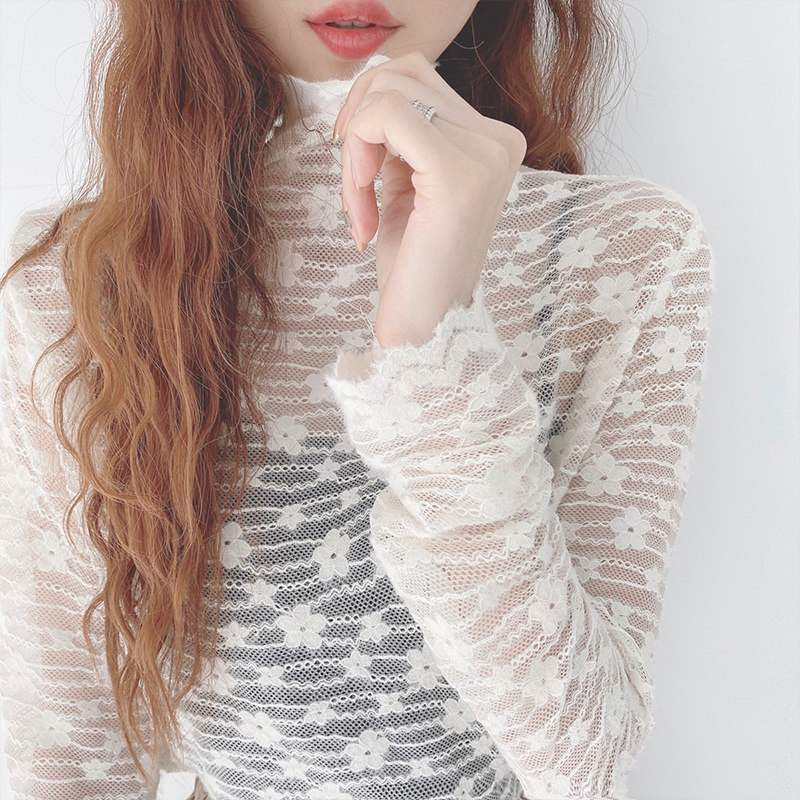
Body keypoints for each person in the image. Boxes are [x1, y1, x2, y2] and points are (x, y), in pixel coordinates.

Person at [0, 1, 715, 798]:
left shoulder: (621, 253)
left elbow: (586, 762)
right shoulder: (71, 281)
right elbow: (64, 761)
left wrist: (432, 346)